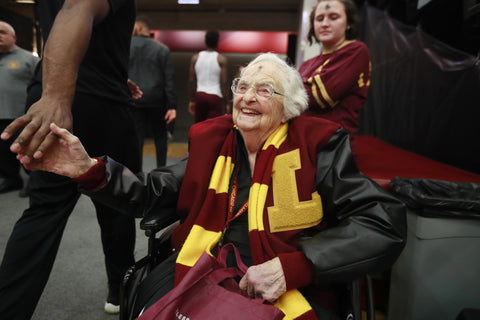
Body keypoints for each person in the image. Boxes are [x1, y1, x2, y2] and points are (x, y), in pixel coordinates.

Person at [20, 53, 406, 320]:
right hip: (200, 264)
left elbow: (381, 223)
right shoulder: (214, 141)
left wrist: (296, 266)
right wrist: (91, 170)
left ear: (289, 107)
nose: (248, 96)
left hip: (285, 274)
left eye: (265, 89)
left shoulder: (317, 145)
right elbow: (154, 192)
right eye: (242, 85)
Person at [0, 0, 140, 318]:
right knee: (116, 204)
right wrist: (56, 97)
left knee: (44, 209)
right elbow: (78, 7)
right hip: (88, 104)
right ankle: (121, 294)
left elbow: (73, 29)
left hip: (79, 90)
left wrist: (108, 73)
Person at [298, 0, 371, 155]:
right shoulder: (307, 64)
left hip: (332, 150)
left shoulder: (356, 51)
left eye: (333, 17)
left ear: (348, 23)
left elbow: (318, 97)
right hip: (302, 144)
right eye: (319, 19)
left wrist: (289, 88)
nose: (325, 23)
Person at [129, 16, 177, 168]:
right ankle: (161, 170)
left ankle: (136, 172)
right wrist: (172, 106)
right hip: (157, 99)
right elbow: (169, 79)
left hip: (133, 99)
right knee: (160, 137)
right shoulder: (162, 49)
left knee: (137, 138)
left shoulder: (126, 46)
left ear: (140, 28)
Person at [0, 21, 39, 194]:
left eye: (2, 32)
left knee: (26, 150)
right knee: (3, 154)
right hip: (1, 115)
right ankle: (11, 179)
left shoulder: (29, 59)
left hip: (20, 116)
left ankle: (34, 181)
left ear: (13, 37)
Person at [188, 30, 231, 122]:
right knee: (215, 126)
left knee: (198, 126)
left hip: (200, 95)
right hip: (215, 96)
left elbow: (192, 81)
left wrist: (192, 100)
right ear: (217, 42)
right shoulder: (221, 59)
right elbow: (224, 83)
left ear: (205, 41)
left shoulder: (195, 58)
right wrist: (227, 102)